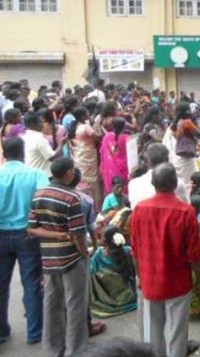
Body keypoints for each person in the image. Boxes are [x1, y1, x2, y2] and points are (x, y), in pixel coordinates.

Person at [130, 163, 200, 357]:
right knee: (177, 332)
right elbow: (194, 254)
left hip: (150, 280)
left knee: (154, 331)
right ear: (174, 183)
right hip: (178, 282)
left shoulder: (139, 210)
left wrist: (139, 276)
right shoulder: (186, 212)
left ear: (153, 183)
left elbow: (135, 250)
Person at [28, 157, 90, 357]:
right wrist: (84, 253)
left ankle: (53, 349)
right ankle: (75, 351)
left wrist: (55, 235)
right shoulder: (72, 198)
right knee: (75, 306)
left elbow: (32, 229)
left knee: (52, 304)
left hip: (48, 259)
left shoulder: (38, 195)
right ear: (69, 173)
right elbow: (78, 234)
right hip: (71, 259)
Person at [0, 137, 49, 345]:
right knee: (31, 283)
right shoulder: (35, 174)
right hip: (28, 233)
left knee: (1, 285)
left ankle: (2, 331)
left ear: (4, 153)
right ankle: (34, 332)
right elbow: (45, 198)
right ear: (22, 152)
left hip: (2, 233)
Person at [89, 225, 137, 318]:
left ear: (104, 242)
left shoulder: (98, 255)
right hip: (129, 295)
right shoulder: (128, 251)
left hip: (106, 298)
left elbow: (92, 274)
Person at [128, 143, 189, 209]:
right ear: (167, 160)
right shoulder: (177, 183)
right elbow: (186, 205)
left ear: (148, 160)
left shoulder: (133, 184)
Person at [68, 106, 102, 210]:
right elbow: (98, 137)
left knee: (81, 179)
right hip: (88, 157)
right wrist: (97, 126)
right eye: (87, 113)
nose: (89, 114)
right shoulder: (86, 127)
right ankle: (94, 205)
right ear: (83, 116)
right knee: (91, 181)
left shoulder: (74, 126)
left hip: (78, 157)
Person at [22, 110, 65, 176]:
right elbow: (52, 158)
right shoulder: (39, 139)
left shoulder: (23, 137)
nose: (42, 125)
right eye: (40, 122)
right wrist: (62, 144)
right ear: (33, 124)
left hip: (30, 173)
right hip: (44, 175)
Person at [100, 117, 129, 196]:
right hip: (124, 169)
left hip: (109, 168)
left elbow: (102, 152)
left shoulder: (106, 137)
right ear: (124, 126)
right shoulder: (127, 138)